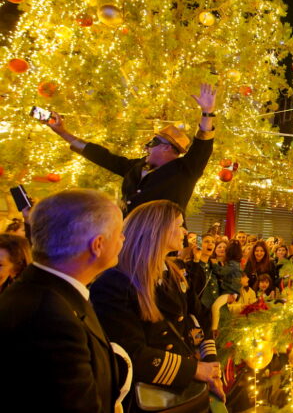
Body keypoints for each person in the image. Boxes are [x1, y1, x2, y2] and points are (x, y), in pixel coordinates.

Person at [90, 200, 224, 411]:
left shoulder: (173, 272)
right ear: (157, 231)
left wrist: (211, 364)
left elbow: (200, 316)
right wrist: (195, 370)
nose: (184, 231)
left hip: (183, 387)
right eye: (179, 225)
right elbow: (131, 354)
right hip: (152, 395)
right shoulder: (116, 282)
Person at [0, 189, 126, 412]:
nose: (123, 240)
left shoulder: (51, 293)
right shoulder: (49, 316)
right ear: (98, 245)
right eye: (119, 233)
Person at [44, 83, 217, 215]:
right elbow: (101, 156)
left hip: (160, 244)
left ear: (166, 148)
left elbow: (202, 145)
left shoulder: (185, 171)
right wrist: (63, 132)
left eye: (152, 143)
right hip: (128, 239)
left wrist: (207, 112)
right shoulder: (135, 167)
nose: (147, 147)